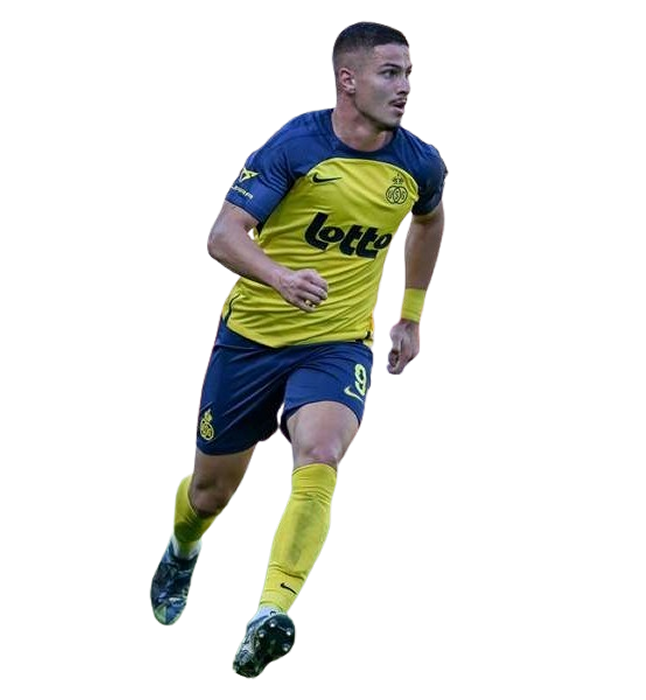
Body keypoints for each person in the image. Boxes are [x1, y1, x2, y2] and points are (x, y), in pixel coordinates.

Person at [150, 20, 447, 678]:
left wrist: (411, 314)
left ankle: (270, 611)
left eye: (409, 74)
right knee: (210, 495)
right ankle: (182, 548)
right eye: (389, 73)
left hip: (338, 343)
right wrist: (280, 276)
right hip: (253, 340)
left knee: (321, 453)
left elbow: (429, 218)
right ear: (348, 80)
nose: (404, 87)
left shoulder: (418, 162)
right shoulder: (295, 144)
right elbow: (223, 235)